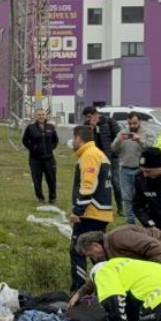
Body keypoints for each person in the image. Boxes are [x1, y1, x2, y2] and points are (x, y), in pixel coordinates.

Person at [68, 125, 114, 292]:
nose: (72, 142)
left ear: (79, 138)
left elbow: (88, 185)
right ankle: (106, 287)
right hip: (99, 212)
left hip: (91, 213)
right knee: (97, 254)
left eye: (74, 138)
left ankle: (80, 289)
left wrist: (77, 211)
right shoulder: (97, 153)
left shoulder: (90, 154)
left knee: (79, 251)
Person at [112, 111, 153, 224]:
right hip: (124, 169)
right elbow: (114, 149)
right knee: (127, 197)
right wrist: (119, 140)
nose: (132, 126)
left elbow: (150, 149)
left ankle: (145, 220)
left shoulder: (147, 133)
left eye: (134, 123)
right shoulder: (122, 133)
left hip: (141, 171)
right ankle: (130, 221)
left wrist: (139, 139)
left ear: (139, 121)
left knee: (143, 196)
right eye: (130, 123)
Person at [84, 106, 123, 215]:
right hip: (95, 159)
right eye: (86, 117)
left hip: (111, 158)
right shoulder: (87, 125)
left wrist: (114, 152)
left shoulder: (109, 122)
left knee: (115, 183)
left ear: (96, 114)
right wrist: (91, 127)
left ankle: (120, 207)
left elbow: (119, 137)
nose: (88, 119)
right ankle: (99, 205)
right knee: (97, 183)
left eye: (89, 116)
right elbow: (85, 140)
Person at [22, 108, 59, 203]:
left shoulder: (51, 127)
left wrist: (51, 148)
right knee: (36, 179)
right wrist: (33, 148)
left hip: (49, 158)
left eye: (43, 115)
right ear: (36, 116)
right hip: (35, 159)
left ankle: (52, 198)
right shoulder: (30, 128)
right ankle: (40, 198)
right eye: (39, 115)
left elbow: (55, 140)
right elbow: (25, 140)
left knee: (51, 179)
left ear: (46, 116)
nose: (41, 117)